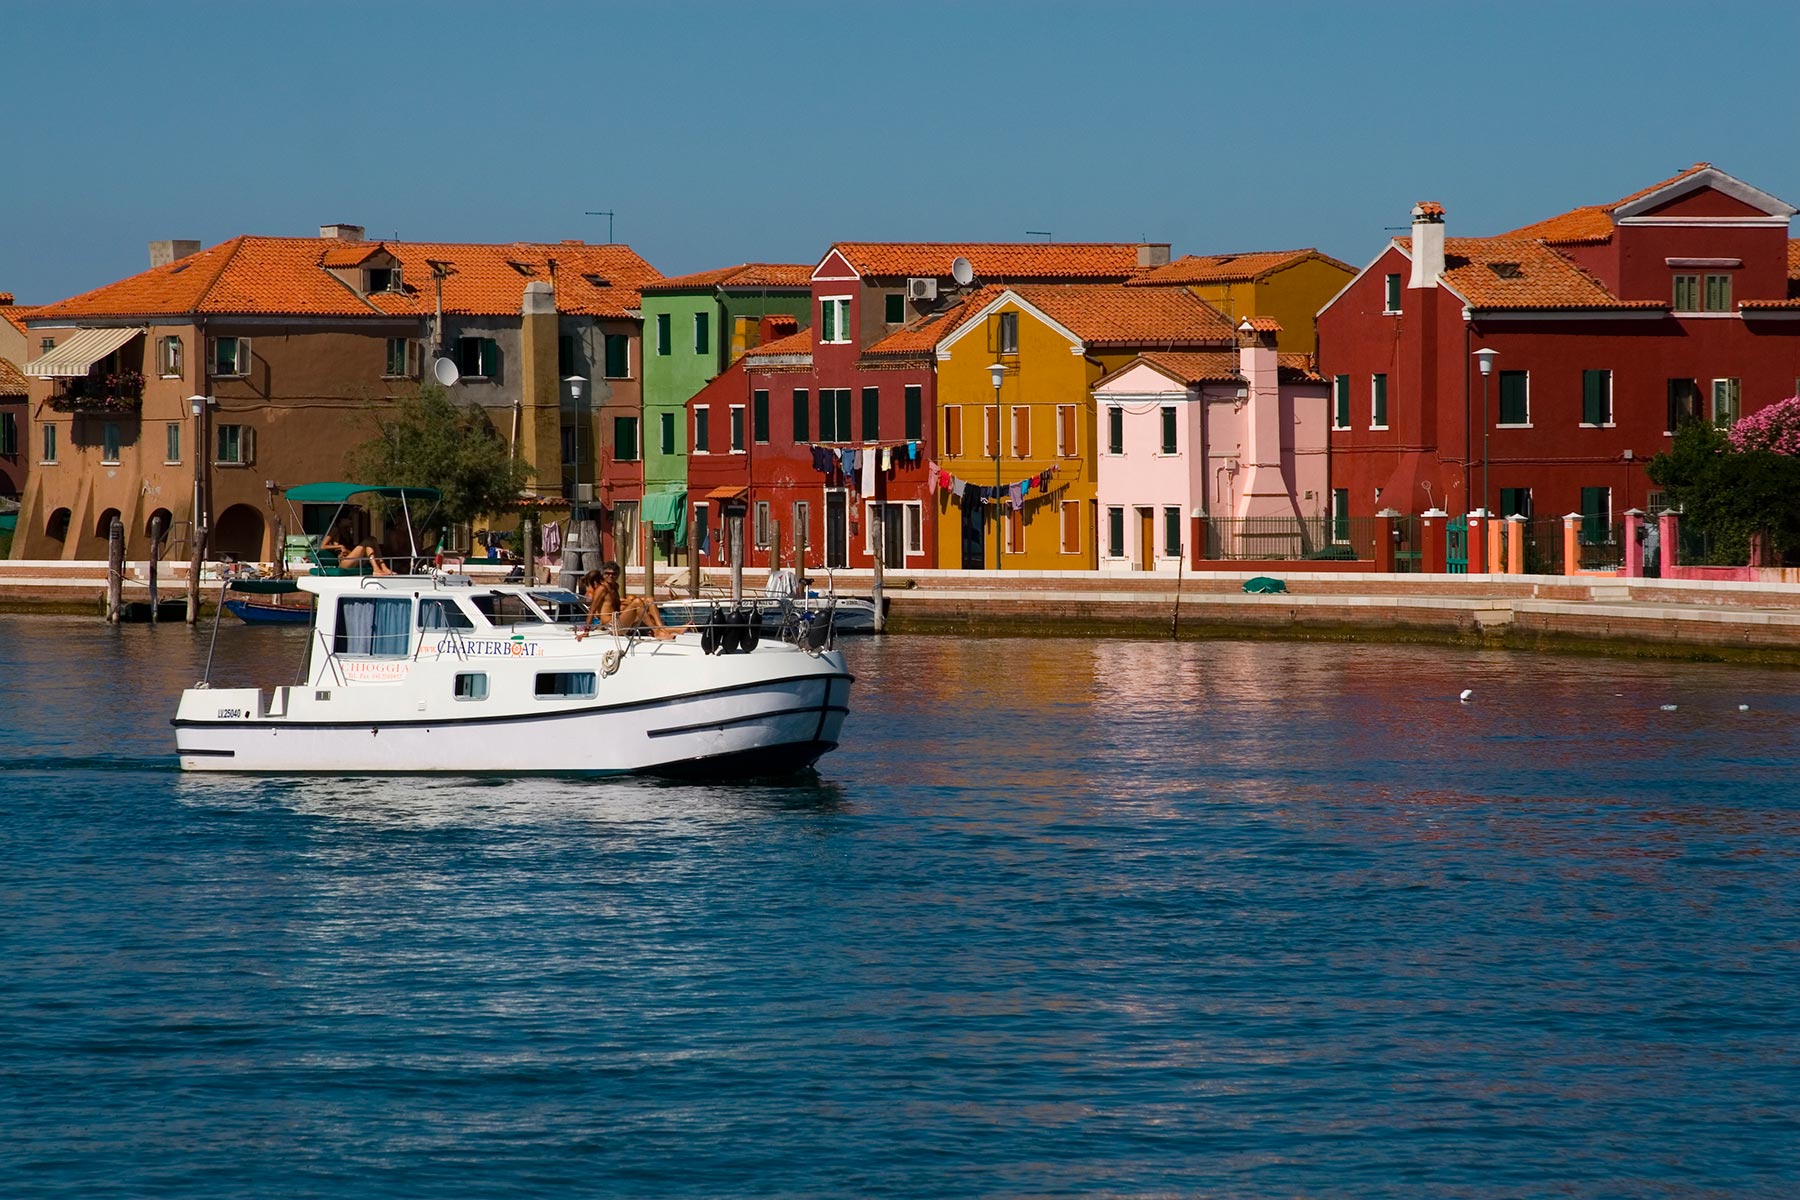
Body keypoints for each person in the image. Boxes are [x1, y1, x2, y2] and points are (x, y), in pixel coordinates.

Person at [575, 561, 684, 640]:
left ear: (618, 575)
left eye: (613, 574)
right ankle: (657, 632)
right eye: (607, 573)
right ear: (604, 574)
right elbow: (592, 609)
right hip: (613, 626)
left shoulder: (615, 587)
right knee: (637, 602)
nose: (610, 576)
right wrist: (586, 631)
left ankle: (662, 628)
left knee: (649, 599)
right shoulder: (602, 589)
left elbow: (616, 606)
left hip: (620, 621)